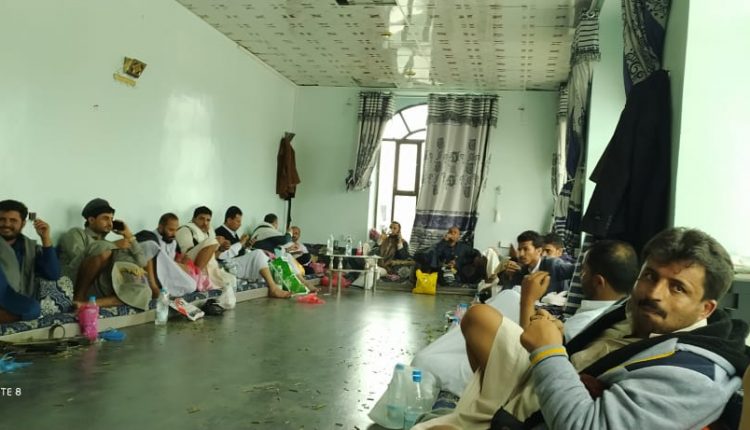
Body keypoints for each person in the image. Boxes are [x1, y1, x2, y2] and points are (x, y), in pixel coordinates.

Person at [414, 227, 748, 430]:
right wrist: (556, 337)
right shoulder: (634, 311)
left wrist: (548, 350)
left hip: (543, 409)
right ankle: (482, 406)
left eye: (677, 288)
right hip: (541, 389)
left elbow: (584, 424)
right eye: (650, 276)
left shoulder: (694, 376)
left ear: (705, 308)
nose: (654, 293)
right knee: (479, 317)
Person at [411, 239, 638, 396]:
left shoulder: (588, 318)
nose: (580, 276)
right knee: (508, 297)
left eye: (584, 271)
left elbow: (535, 352)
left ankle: (474, 382)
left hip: (530, 376)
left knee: (475, 318)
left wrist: (529, 301)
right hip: (539, 353)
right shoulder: (612, 311)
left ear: (598, 281)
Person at [58, 198, 149, 309]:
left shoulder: (109, 245)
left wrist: (129, 236)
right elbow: (80, 260)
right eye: (105, 218)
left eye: (111, 219)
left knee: (143, 289)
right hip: (76, 281)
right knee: (103, 247)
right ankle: (79, 297)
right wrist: (113, 246)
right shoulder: (76, 233)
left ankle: (88, 304)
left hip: (99, 285)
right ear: (91, 220)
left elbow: (142, 262)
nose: (110, 223)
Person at [214, 207, 293, 298]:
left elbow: (237, 251)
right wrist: (241, 243)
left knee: (267, 255)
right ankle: (273, 288)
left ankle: (290, 284)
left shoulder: (233, 233)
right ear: (229, 220)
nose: (240, 224)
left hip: (236, 261)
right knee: (258, 253)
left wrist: (247, 246)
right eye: (238, 221)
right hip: (227, 264)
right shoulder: (219, 232)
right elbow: (223, 255)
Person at [0, 199, 59, 321]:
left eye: (13, 220)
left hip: (12, 299)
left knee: (33, 309)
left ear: (23, 224)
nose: (6, 224)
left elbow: (53, 274)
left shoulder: (30, 248)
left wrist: (45, 238)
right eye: (2, 219)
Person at [136, 213, 196, 297]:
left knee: (191, 285)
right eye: (171, 230)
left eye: (176, 230)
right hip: (151, 276)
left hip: (167, 274)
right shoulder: (150, 238)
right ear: (160, 227)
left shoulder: (173, 242)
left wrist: (180, 263)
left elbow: (171, 264)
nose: (174, 234)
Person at [498, 230, 574, 293]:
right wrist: (510, 276)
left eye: (526, 249)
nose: (521, 254)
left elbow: (576, 269)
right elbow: (506, 293)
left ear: (539, 251)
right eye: (519, 249)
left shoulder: (553, 265)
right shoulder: (521, 269)